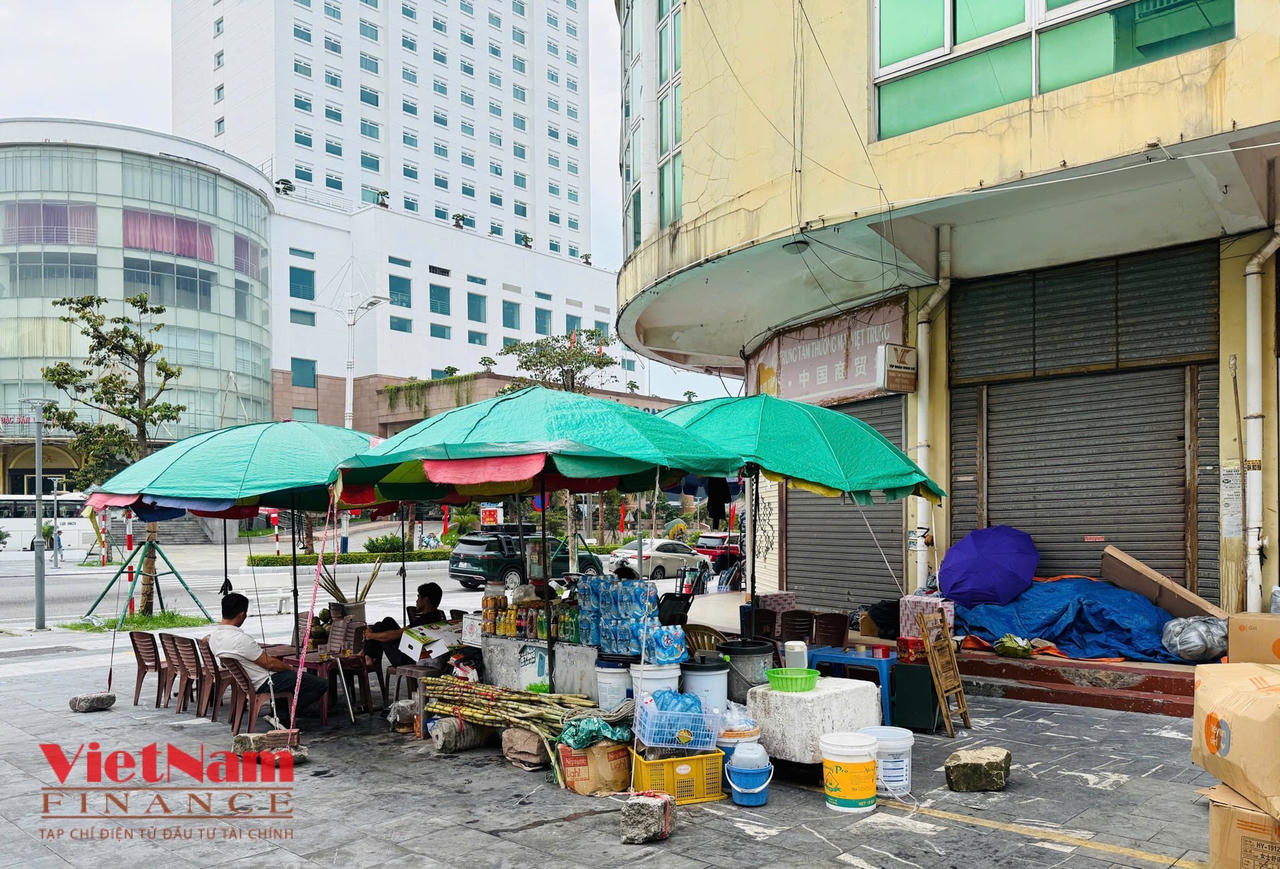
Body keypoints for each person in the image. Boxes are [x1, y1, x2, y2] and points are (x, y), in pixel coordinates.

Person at [208, 593, 327, 727]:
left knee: (289, 678)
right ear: (241, 615)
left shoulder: (213, 638)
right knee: (320, 684)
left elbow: (206, 640)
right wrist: (290, 668)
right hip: (263, 681)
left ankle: (281, 716)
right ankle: (281, 715)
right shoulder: (241, 639)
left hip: (247, 681)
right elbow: (269, 663)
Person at [363, 582, 447, 668]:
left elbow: (396, 634)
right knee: (387, 621)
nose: (416, 600)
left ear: (425, 600)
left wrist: (371, 636)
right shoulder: (438, 615)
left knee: (379, 628)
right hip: (412, 652)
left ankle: (367, 655)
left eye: (418, 597)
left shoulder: (425, 620)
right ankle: (368, 655)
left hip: (407, 658)